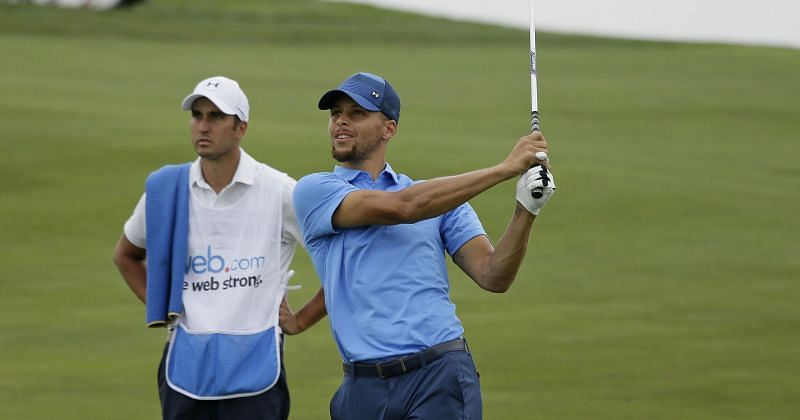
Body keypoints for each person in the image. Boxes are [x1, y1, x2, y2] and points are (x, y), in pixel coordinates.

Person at [280, 72, 555, 419]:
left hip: (440, 375)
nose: (341, 121)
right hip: (362, 388)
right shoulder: (315, 191)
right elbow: (402, 208)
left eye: (357, 113)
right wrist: (504, 169)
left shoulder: (442, 201)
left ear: (388, 128)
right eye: (336, 113)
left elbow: (493, 276)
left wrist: (525, 209)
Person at [113, 75, 301, 420]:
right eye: (197, 115)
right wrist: (164, 309)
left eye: (216, 117)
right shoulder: (165, 189)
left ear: (240, 127)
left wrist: (302, 319)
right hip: (185, 365)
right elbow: (125, 255)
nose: (203, 125)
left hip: (256, 368)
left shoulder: (279, 190)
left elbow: (339, 259)